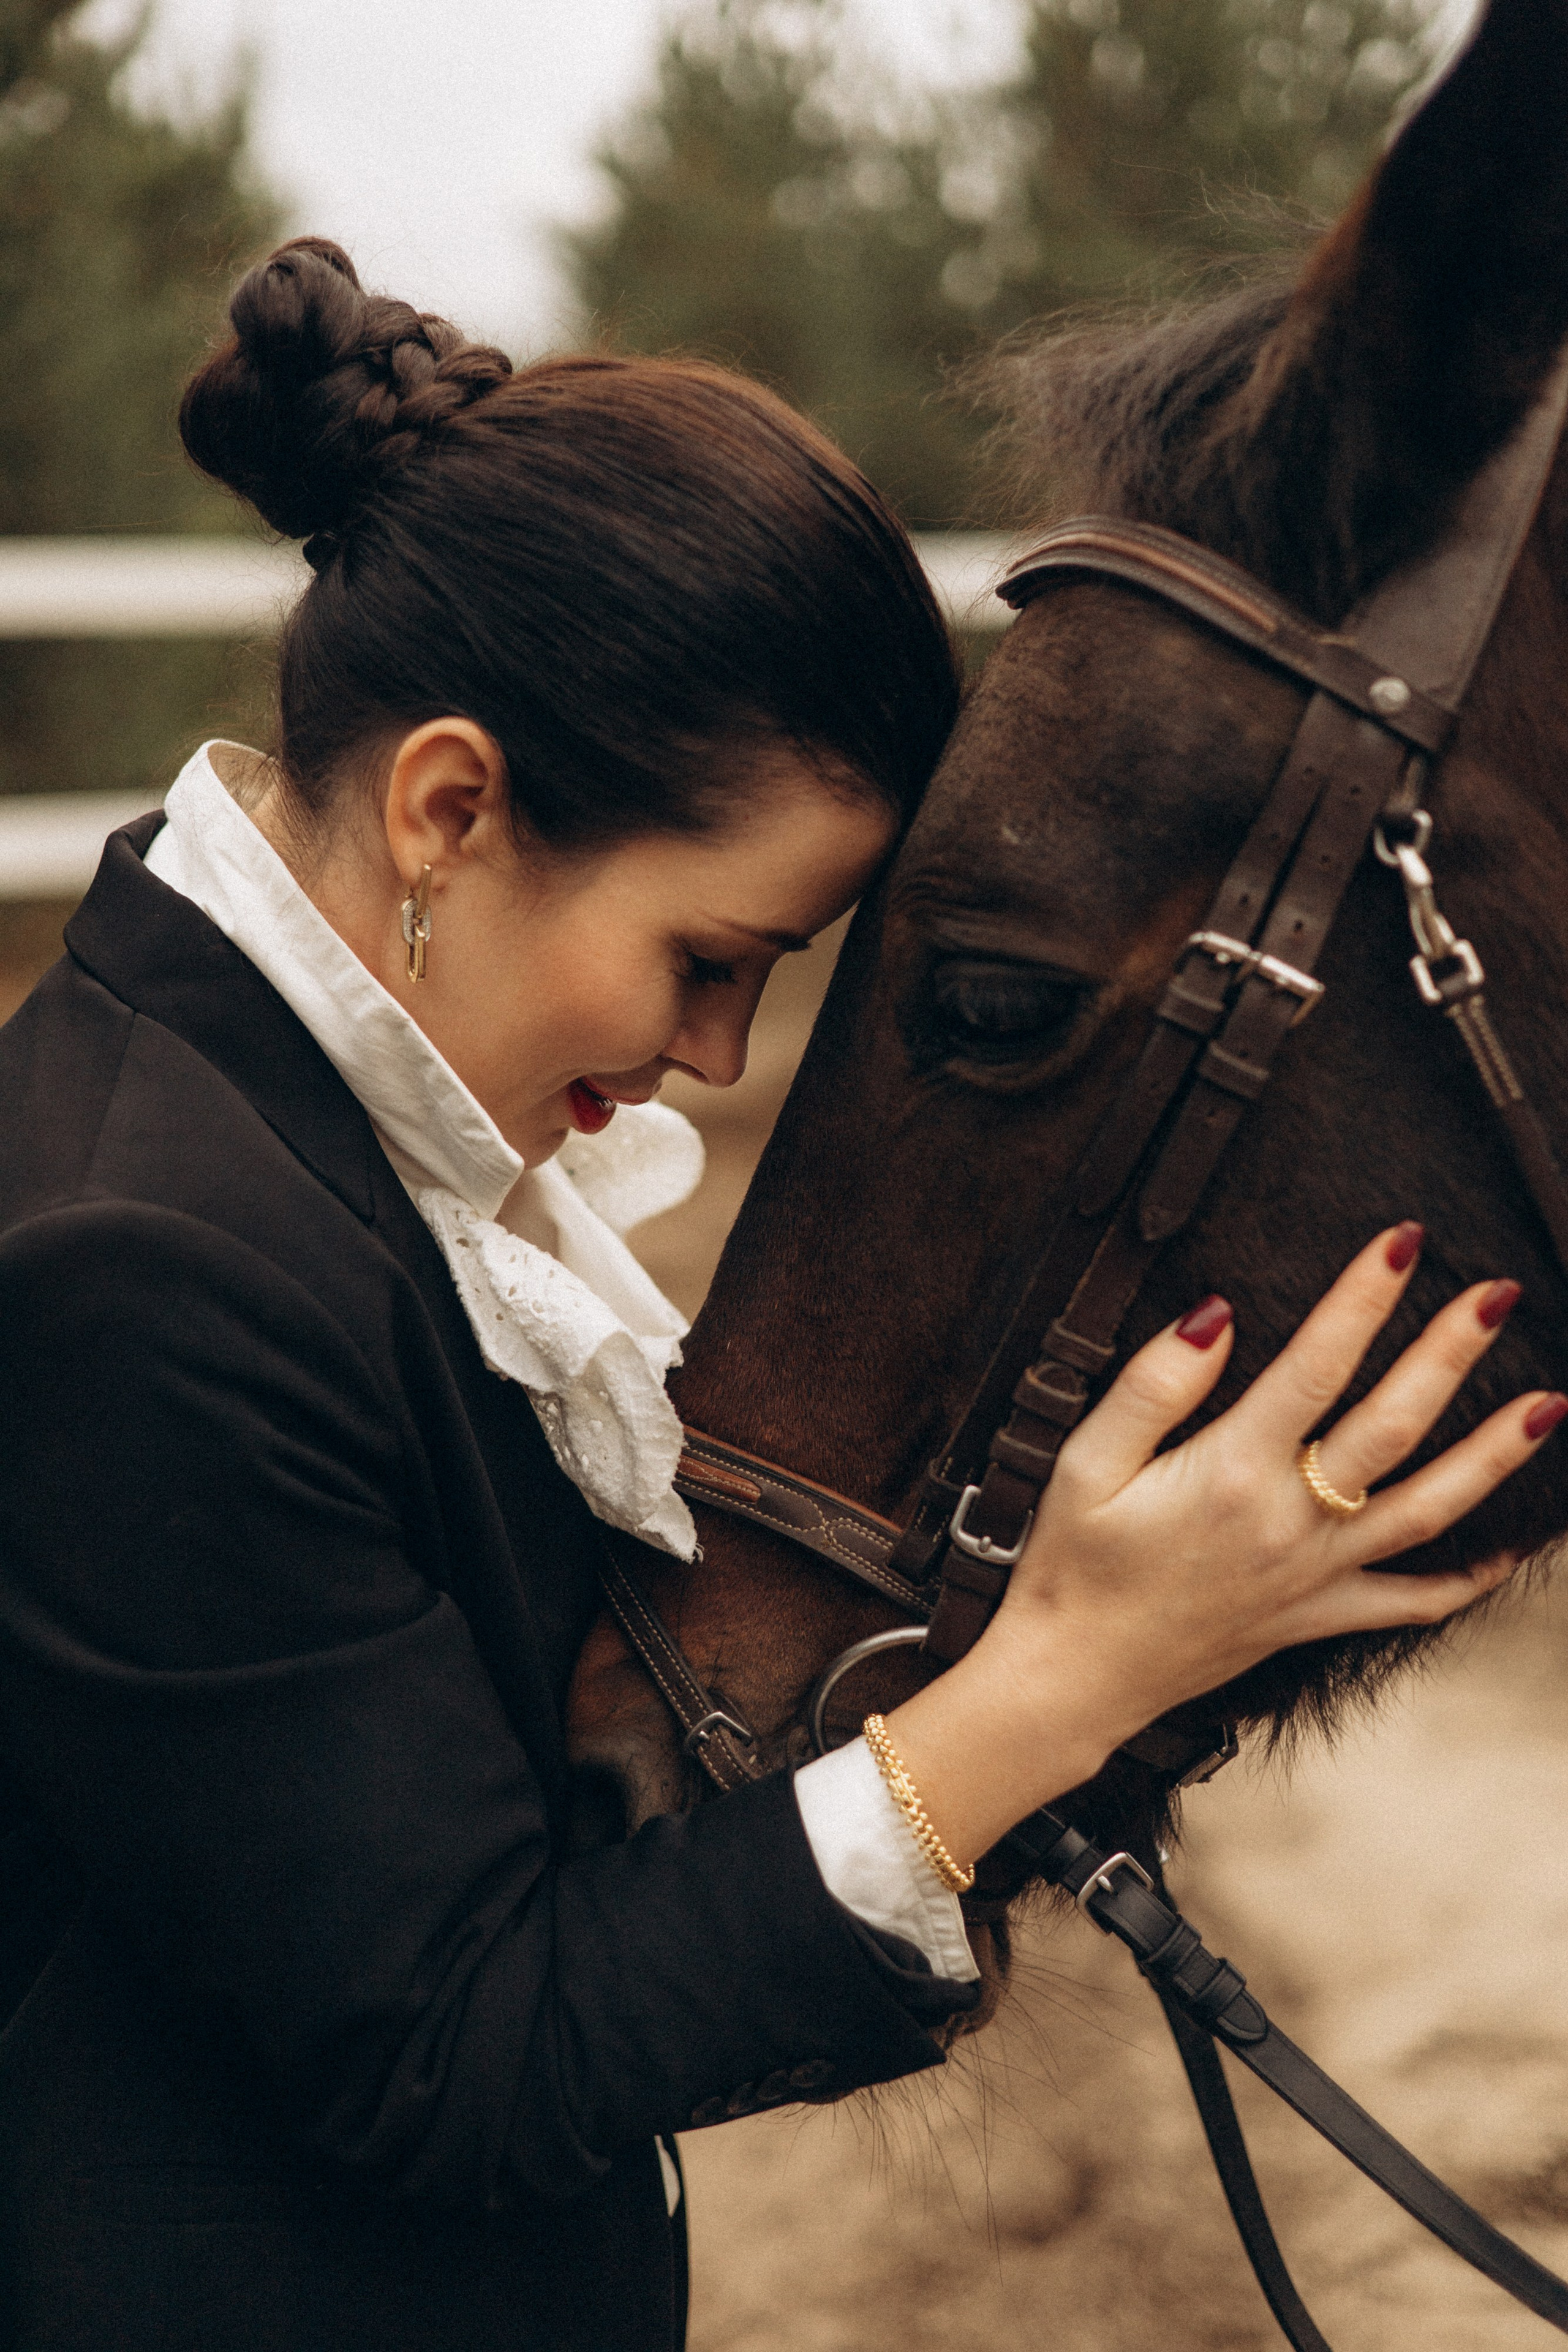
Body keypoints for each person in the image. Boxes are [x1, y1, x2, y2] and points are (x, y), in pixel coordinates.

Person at [0, 236, 1556, 2352]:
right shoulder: (139, 1277)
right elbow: (462, 2054)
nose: (717, 1061)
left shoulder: (292, 1149)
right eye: (709, 958)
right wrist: (1054, 1684)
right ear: (450, 807)